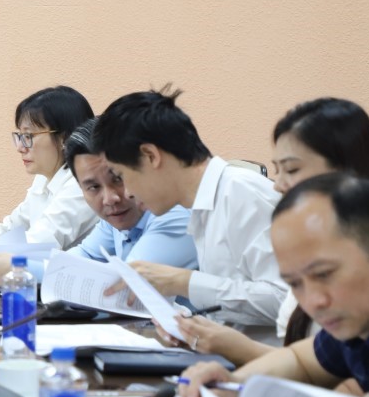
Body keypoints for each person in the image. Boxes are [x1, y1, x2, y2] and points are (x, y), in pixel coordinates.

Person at [174, 98, 369, 362]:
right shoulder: (312, 251)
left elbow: (334, 373)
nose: (277, 185)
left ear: (346, 169)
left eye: (291, 169)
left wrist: (232, 346)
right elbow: (311, 363)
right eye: (277, 170)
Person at [178, 173, 369, 397]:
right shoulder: (366, 312)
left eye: (324, 274)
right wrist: (235, 382)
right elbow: (301, 361)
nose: (313, 302)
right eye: (295, 284)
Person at [93, 85, 286, 325]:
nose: (128, 193)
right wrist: (190, 327)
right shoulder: (202, 205)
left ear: (151, 156)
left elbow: (287, 301)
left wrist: (183, 282)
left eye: (122, 175)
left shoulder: (242, 193)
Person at [0, 118, 197, 284]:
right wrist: (17, 265)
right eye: (93, 187)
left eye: (118, 179)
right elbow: (79, 259)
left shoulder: (172, 213)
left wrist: (22, 269)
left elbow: (127, 286)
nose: (110, 198)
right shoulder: (115, 221)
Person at [0, 86, 97, 263]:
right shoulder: (44, 178)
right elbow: (8, 229)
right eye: (20, 136)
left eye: (29, 136)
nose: (20, 147)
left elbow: (35, 246)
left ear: (64, 138)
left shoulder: (81, 184)